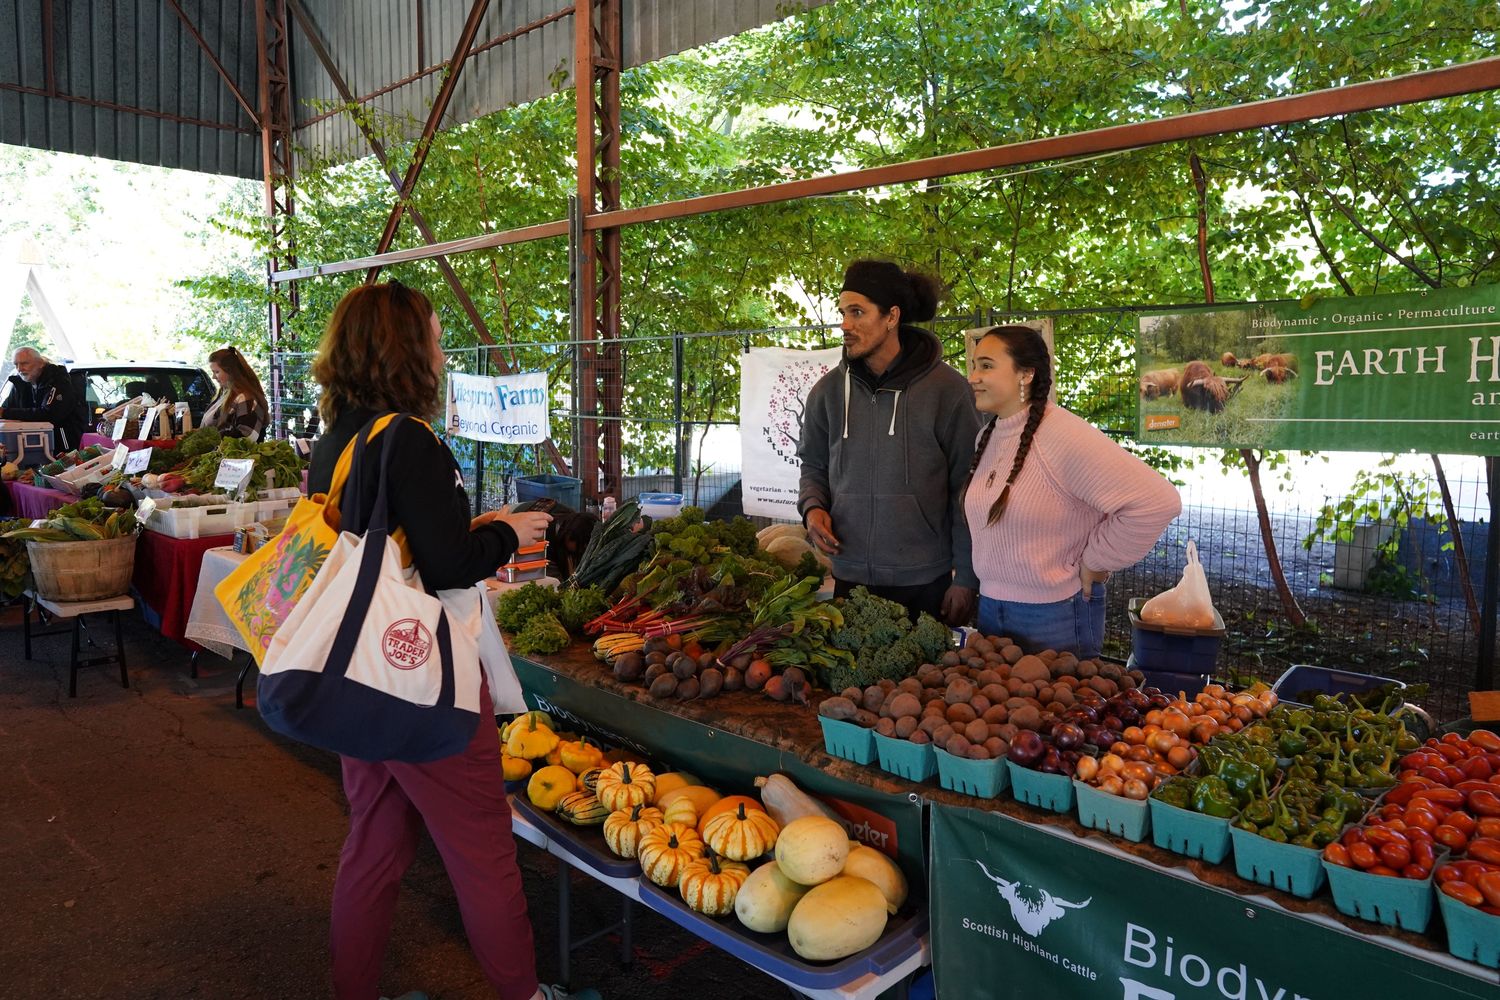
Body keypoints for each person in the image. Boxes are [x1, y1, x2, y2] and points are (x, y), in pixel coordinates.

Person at [307, 282, 594, 1000]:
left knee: (373, 842)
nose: (441, 349)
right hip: (425, 679)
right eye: (434, 335)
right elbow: (448, 567)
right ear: (405, 349)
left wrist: (467, 527)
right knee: (481, 850)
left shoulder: (337, 440)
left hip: (357, 673)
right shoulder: (409, 437)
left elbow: (388, 544)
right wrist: (508, 532)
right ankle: (524, 993)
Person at [964, 325, 1181, 658]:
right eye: (974, 365)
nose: (973, 377)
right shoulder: (986, 437)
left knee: (1060, 711)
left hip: (1055, 614)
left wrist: (1096, 560)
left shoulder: (1062, 434)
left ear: (1025, 374)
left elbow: (1157, 501)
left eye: (987, 366)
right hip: (991, 608)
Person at [797, 259, 980, 625]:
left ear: (891, 316)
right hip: (849, 578)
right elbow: (813, 465)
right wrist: (812, 508)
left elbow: (969, 488)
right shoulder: (828, 392)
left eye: (857, 312)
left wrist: (967, 578)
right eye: (843, 312)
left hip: (926, 582)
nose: (845, 324)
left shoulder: (949, 391)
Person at [1, 347, 86, 452]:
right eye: (16, 364)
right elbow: (7, 409)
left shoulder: (58, 381)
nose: (19, 368)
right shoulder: (20, 383)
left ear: (41, 363)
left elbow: (50, 414)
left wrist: (5, 413)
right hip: (29, 447)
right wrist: (4, 413)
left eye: (24, 363)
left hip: (62, 447)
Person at [202, 346, 270, 440]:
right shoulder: (223, 392)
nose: (213, 377)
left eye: (216, 372)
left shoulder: (245, 398)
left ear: (230, 372)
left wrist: (210, 438)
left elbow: (247, 436)